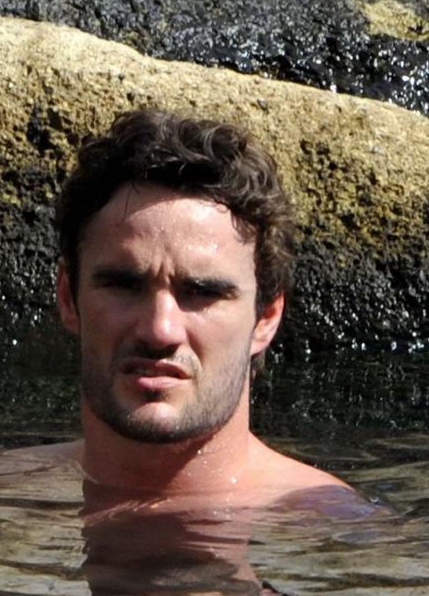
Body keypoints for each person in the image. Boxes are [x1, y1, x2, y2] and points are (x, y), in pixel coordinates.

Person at [50, 107, 356, 510]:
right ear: (69, 299)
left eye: (201, 292)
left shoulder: (341, 538)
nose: (160, 331)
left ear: (266, 317)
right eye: (124, 285)